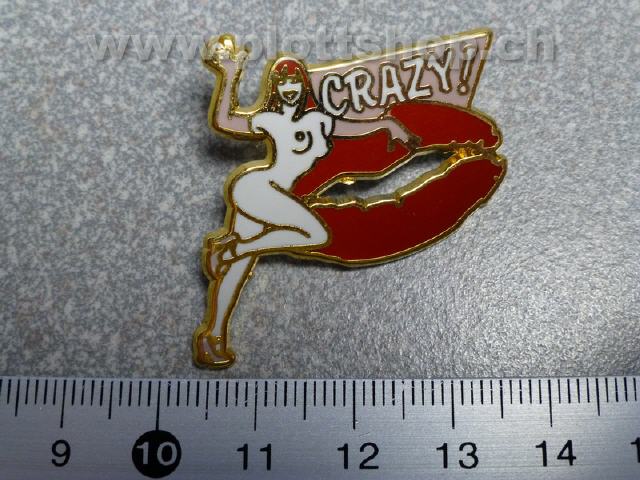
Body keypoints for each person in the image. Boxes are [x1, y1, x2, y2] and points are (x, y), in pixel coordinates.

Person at [194, 35, 417, 367]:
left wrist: (387, 124)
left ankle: (213, 335)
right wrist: (228, 76)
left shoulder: (317, 121)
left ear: (303, 86)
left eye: (295, 82)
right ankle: (233, 249)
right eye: (283, 83)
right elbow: (224, 121)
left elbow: (352, 127)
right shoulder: (270, 120)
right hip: (256, 186)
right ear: (274, 88)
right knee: (315, 234)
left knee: (241, 265)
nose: (289, 88)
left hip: (271, 194)